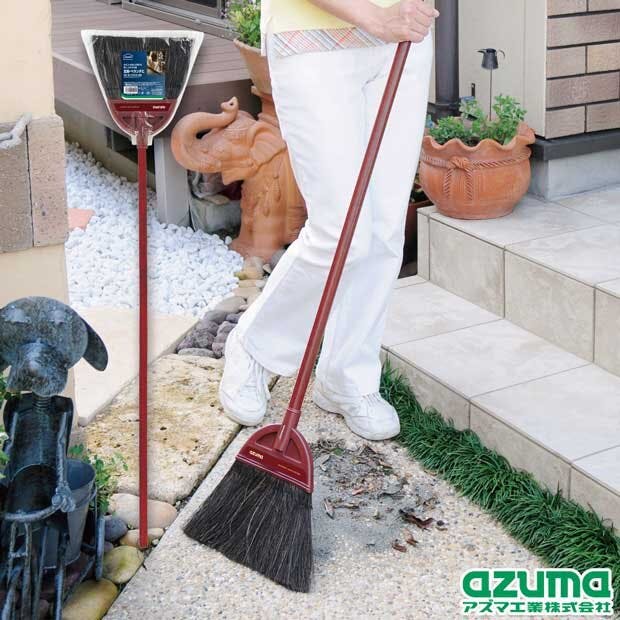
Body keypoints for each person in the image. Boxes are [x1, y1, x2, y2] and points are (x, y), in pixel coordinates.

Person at [220, 0, 438, 440]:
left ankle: (346, 377)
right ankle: (255, 346)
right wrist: (375, 17)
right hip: (312, 38)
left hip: (404, 33)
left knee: (383, 230)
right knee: (342, 233)